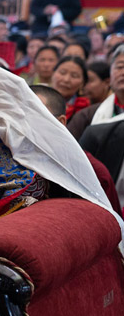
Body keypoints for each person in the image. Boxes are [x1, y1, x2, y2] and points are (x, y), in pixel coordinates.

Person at [30, 85, 121, 215]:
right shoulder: (2, 157)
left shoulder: (91, 171)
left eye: (34, 115)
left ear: (60, 122)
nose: (23, 124)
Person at [50, 55, 89, 121]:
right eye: (62, 73)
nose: (66, 79)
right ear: (53, 74)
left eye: (74, 76)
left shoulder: (85, 110)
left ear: (82, 83)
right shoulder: (37, 99)